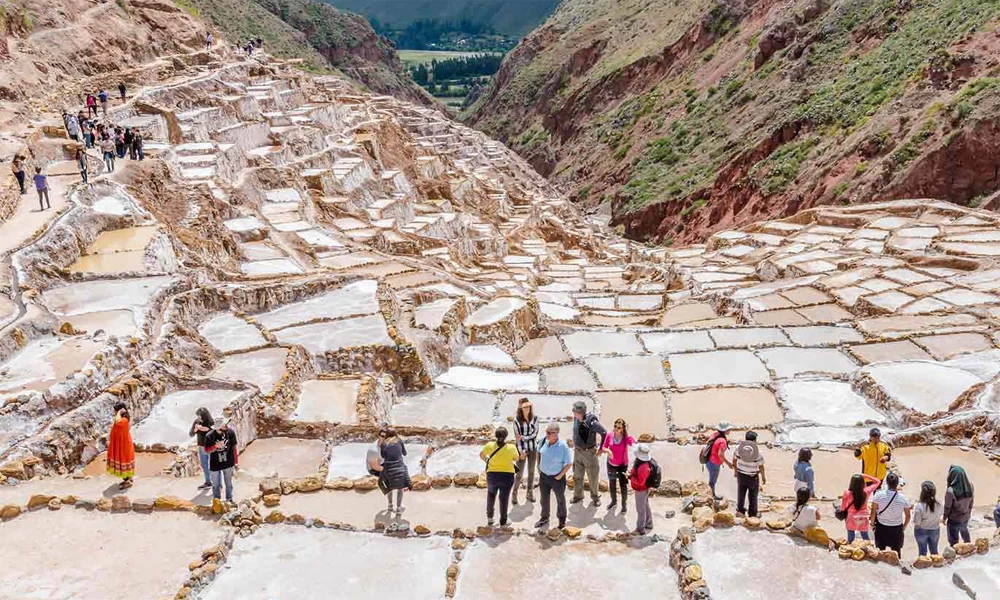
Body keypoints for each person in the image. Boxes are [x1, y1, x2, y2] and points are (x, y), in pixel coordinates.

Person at [534, 423, 572, 530]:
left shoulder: (563, 446)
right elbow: (538, 452)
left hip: (557, 478)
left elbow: (569, 463)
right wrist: (538, 466)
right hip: (544, 476)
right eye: (546, 432)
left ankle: (562, 521)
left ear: (556, 433)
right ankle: (544, 518)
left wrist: (560, 476)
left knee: (560, 499)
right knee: (544, 499)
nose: (547, 434)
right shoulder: (542, 441)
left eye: (550, 433)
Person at [480, 426, 520, 527]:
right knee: (504, 498)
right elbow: (516, 459)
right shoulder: (511, 447)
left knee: (491, 496)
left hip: (492, 475)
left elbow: (481, 455)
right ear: (506, 436)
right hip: (507, 476)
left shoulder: (489, 445)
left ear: (495, 435)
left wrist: (487, 460)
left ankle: (490, 519)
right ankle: (503, 521)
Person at [570, 400, 606, 506]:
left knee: (593, 477)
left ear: (580, 412)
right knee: (577, 476)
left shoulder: (592, 422)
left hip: (589, 453)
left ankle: (595, 497)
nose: (572, 412)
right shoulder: (576, 419)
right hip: (577, 452)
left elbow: (604, 432)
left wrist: (601, 448)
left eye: (574, 410)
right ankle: (578, 496)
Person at [371, 428, 410, 515]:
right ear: (396, 434)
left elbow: (383, 456)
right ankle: (399, 508)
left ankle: (390, 505)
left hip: (388, 469)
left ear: (387, 435)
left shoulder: (383, 444)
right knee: (400, 488)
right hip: (399, 468)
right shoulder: (399, 441)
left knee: (389, 487)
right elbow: (405, 453)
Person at [870, 472, 911, 555]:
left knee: (880, 552)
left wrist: (872, 524)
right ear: (897, 484)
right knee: (896, 552)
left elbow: (873, 511)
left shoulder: (878, 495)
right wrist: (903, 527)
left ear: (887, 483)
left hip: (881, 527)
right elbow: (908, 516)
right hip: (896, 528)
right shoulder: (903, 498)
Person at [204, 418, 238, 513]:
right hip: (215, 464)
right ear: (218, 428)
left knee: (229, 483)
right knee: (216, 485)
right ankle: (217, 502)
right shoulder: (209, 436)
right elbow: (206, 450)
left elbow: (234, 448)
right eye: (224, 425)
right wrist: (216, 446)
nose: (226, 426)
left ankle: (229, 500)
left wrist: (236, 462)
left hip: (228, 462)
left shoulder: (230, 432)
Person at [602, 418, 635, 513]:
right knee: (612, 484)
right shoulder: (609, 435)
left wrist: (627, 434)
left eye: (619, 427)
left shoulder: (625, 437)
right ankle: (613, 501)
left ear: (622, 429)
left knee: (623, 485)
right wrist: (608, 451)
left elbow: (633, 443)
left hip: (622, 465)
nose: (616, 428)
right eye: (615, 426)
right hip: (611, 464)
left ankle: (624, 505)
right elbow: (604, 447)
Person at [511, 398, 538, 505]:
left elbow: (535, 434)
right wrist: (521, 451)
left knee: (531, 472)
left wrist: (523, 437)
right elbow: (517, 439)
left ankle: (530, 492)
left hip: (533, 449)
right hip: (521, 450)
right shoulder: (516, 421)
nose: (527, 408)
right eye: (524, 407)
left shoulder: (535, 418)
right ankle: (514, 494)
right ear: (521, 408)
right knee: (519, 473)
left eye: (528, 406)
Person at [734, 430, 766, 518]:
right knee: (752, 496)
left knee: (741, 494)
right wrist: (763, 477)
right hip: (752, 477)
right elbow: (761, 467)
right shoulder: (758, 454)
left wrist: (735, 471)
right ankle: (752, 514)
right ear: (754, 441)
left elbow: (734, 459)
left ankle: (740, 511)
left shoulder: (738, 450)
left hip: (741, 475)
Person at [841, 473, 880, 543]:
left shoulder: (847, 493)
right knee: (865, 536)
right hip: (862, 517)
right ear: (862, 483)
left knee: (850, 538)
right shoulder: (866, 491)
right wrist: (865, 476)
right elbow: (878, 481)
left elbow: (843, 508)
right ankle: (868, 550)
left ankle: (851, 551)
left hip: (851, 517)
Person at [944, 465, 975, 546]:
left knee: (953, 542)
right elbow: (971, 503)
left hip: (954, 519)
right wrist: (969, 513)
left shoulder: (950, 491)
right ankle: (969, 549)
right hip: (965, 517)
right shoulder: (970, 486)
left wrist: (944, 517)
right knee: (965, 535)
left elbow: (947, 507)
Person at [106, 402, 135, 489]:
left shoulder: (123, 420)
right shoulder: (124, 418)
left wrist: (119, 412)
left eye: (116, 411)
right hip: (121, 443)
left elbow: (117, 421)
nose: (114, 413)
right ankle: (128, 478)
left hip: (122, 445)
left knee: (122, 460)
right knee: (124, 460)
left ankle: (127, 482)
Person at [703, 421, 733, 500]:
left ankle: (710, 494)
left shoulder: (715, 434)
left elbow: (709, 442)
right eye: (728, 429)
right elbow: (720, 454)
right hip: (714, 463)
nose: (730, 430)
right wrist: (728, 463)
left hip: (708, 459)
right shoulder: (722, 441)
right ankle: (712, 496)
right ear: (725, 430)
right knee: (712, 481)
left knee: (711, 479)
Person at [628, 443, 655, 535]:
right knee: (645, 505)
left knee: (640, 509)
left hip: (641, 489)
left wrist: (630, 477)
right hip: (644, 488)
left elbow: (640, 482)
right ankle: (649, 523)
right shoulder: (642, 463)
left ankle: (640, 529)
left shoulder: (644, 467)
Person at [913, 481, 943, 557]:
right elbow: (940, 516)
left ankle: (924, 567)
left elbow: (917, 522)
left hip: (921, 531)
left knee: (922, 553)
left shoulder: (919, 506)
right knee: (934, 552)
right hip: (935, 530)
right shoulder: (939, 504)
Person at [189, 407, 215, 490]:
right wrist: (195, 430)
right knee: (204, 465)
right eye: (198, 416)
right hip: (201, 447)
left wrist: (206, 429)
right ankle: (208, 482)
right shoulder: (196, 422)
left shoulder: (210, 422)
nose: (199, 417)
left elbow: (215, 433)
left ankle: (216, 483)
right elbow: (191, 434)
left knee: (213, 466)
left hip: (211, 447)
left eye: (200, 416)